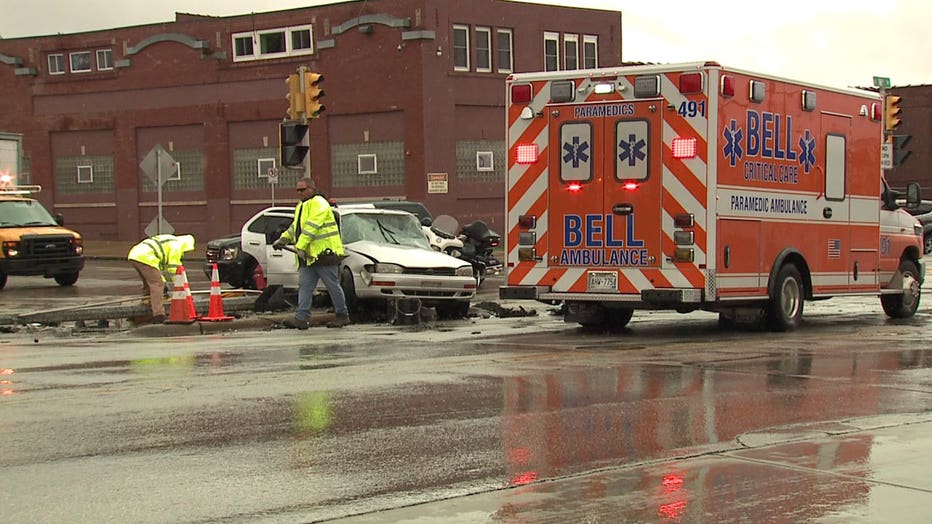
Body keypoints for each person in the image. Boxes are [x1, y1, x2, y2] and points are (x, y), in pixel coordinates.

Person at [273, 177, 350, 329]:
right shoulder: (301, 206)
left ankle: (342, 315)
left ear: (311, 189)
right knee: (305, 286)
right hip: (309, 256)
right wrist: (283, 239)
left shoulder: (319, 203)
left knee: (332, 286)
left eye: (302, 189)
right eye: (297, 190)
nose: (299, 193)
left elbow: (311, 227)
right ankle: (301, 318)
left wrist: (300, 246)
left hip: (324, 254)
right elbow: (296, 228)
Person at [127, 233, 196, 323]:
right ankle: (159, 315)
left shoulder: (171, 241)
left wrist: (165, 285)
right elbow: (174, 269)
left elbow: (158, 270)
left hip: (135, 255)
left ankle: (140, 312)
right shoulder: (177, 246)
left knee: (149, 285)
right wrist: (181, 288)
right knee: (157, 284)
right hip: (145, 257)